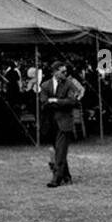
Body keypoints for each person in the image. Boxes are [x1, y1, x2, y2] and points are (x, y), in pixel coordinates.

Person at [42, 60, 83, 188]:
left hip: (65, 122)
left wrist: (55, 101)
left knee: (60, 152)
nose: (66, 73)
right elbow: (43, 103)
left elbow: (73, 102)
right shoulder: (45, 85)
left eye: (66, 71)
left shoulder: (69, 84)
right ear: (55, 72)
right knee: (59, 151)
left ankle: (56, 178)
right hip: (50, 123)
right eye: (63, 71)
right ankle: (67, 176)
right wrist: (60, 102)